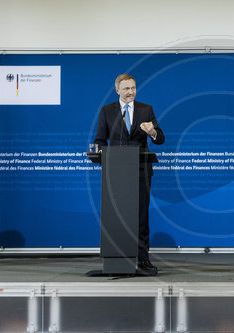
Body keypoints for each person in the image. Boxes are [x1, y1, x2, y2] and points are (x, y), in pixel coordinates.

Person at [94, 74, 165, 275]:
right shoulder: (107, 111)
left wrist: (152, 132)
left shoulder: (146, 110)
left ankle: (143, 259)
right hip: (116, 172)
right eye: (126, 89)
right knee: (116, 215)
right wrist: (100, 152)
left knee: (141, 216)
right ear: (117, 90)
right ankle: (117, 258)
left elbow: (160, 139)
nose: (131, 92)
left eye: (133, 88)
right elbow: (99, 140)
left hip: (140, 170)